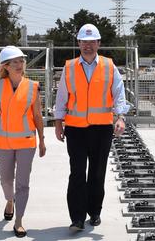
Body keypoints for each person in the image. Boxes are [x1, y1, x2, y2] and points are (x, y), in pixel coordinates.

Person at [54, 23, 129, 232]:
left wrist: (120, 117)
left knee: (97, 173)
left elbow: (119, 94)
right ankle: (77, 218)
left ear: (98, 43)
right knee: (77, 173)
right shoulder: (69, 67)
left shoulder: (108, 66)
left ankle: (94, 212)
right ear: (78, 43)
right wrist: (58, 123)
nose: (88, 46)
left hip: (102, 129)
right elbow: (61, 97)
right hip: (76, 129)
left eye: (91, 42)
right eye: (83, 42)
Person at [0, 46, 46, 238]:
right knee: (5, 180)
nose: (20, 65)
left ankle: (19, 221)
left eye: (22, 61)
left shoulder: (32, 86)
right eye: (15, 62)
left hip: (27, 141)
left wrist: (42, 140)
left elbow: (37, 115)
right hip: (3, 142)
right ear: (6, 66)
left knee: (23, 183)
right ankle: (9, 200)